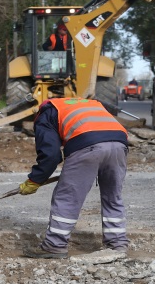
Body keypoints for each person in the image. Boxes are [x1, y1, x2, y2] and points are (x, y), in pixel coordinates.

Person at [18, 97, 130, 259]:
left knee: (67, 197)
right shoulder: (90, 104)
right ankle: (117, 244)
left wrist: (35, 179)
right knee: (113, 196)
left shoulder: (46, 113)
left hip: (87, 144)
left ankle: (54, 246)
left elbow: (50, 156)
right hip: (119, 143)